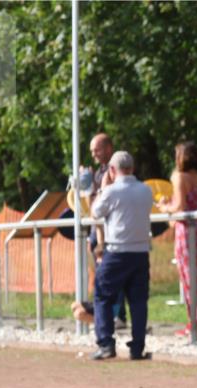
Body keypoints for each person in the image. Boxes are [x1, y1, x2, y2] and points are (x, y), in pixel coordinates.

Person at [89, 151, 154, 361]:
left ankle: (106, 343)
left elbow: (95, 212)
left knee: (102, 295)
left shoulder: (110, 192)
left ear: (112, 170)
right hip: (141, 252)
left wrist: (103, 187)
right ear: (132, 168)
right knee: (138, 301)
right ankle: (137, 348)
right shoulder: (146, 190)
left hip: (116, 252)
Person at [156, 142, 197, 340]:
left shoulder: (179, 177)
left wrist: (164, 207)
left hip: (187, 233)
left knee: (189, 279)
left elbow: (180, 206)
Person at [71, 132, 127, 330]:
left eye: (97, 149)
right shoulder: (99, 172)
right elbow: (93, 205)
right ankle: (110, 313)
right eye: (91, 150)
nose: (93, 154)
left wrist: (89, 191)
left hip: (109, 232)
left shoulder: (113, 173)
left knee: (111, 275)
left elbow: (101, 205)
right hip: (98, 231)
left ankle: (114, 315)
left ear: (108, 148)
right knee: (103, 275)